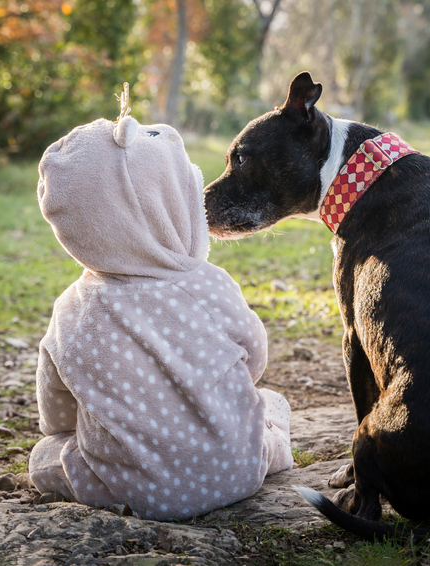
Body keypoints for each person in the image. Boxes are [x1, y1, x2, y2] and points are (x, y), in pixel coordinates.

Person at [28, 88, 293, 520]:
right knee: (270, 406)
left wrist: (71, 431)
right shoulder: (208, 285)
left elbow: (56, 411)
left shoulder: (71, 312)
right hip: (236, 471)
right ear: (178, 203)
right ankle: (272, 446)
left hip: (130, 486)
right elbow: (253, 359)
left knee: (46, 455)